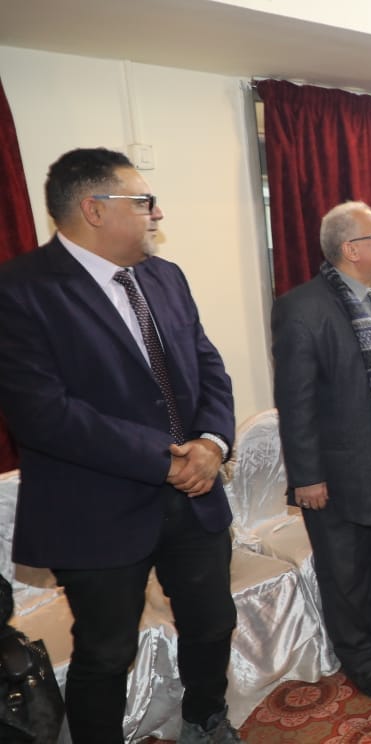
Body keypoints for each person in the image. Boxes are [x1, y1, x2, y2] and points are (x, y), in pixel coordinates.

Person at [0, 148, 240, 743]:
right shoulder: (20, 289)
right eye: (143, 201)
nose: (157, 213)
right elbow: (43, 414)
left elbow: (208, 366)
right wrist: (165, 460)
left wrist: (212, 443)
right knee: (106, 653)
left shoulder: (165, 276)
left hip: (194, 493)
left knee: (213, 623)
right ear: (94, 209)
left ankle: (205, 716)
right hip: (95, 508)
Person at [272, 201, 371, 700]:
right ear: (352, 249)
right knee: (345, 571)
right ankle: (358, 654)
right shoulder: (303, 307)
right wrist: (306, 476)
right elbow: (295, 402)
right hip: (341, 471)